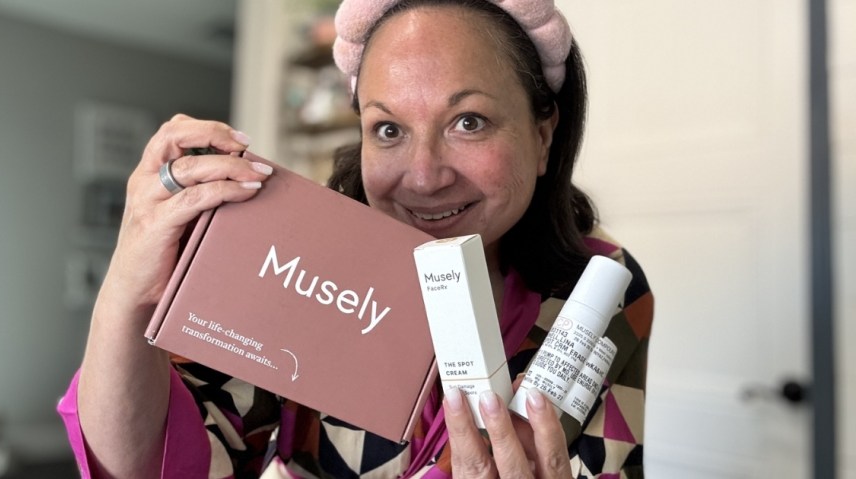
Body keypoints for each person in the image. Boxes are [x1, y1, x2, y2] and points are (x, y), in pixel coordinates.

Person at [57, 0, 654, 477]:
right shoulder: (298, 257)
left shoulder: (596, 289)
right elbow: (152, 462)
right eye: (388, 128)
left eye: (468, 121)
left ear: (543, 132)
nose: (423, 176)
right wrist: (127, 292)